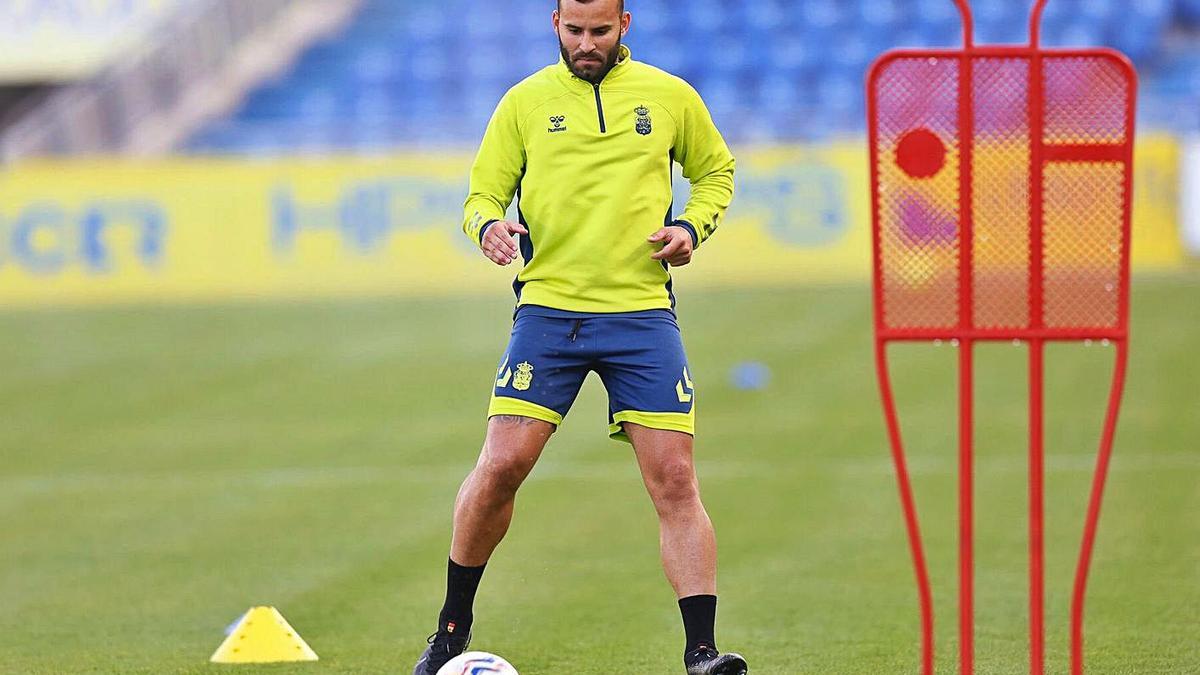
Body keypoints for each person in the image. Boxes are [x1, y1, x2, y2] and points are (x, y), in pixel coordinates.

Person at [413, 0, 745, 673]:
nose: (586, 44)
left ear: (626, 24)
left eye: (600, 31)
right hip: (550, 312)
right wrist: (488, 228)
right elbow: (482, 195)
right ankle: (450, 628)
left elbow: (716, 173)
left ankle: (702, 653)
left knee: (675, 479)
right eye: (574, 31)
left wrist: (691, 227)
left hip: (642, 313)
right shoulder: (525, 102)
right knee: (502, 465)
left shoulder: (670, 96)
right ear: (555, 25)